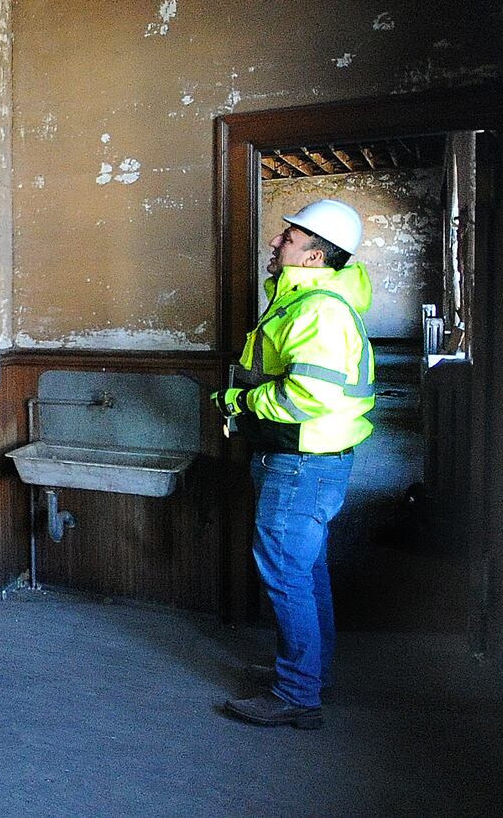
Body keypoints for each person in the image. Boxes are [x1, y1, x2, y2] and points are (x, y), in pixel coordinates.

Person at [211, 198, 376, 730]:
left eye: (289, 238)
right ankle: (309, 675)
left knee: (286, 573)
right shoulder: (305, 300)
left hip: (301, 462)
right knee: (306, 570)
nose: (276, 242)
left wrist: (239, 403)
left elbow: (305, 398)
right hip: (307, 460)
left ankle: (297, 695)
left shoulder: (319, 310)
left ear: (314, 256)